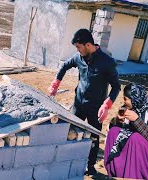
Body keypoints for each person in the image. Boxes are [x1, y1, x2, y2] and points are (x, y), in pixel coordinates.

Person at [48, 29, 121, 175]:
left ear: (88, 45)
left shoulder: (107, 62)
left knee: (93, 137)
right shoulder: (78, 58)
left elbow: (116, 86)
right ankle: (68, 161)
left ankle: (90, 165)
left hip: (96, 108)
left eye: (78, 47)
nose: (77, 50)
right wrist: (55, 83)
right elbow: (64, 66)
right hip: (78, 104)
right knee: (71, 133)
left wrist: (107, 105)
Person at [104, 83, 148, 179]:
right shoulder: (130, 106)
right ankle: (118, 171)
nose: (124, 101)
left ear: (134, 99)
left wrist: (137, 120)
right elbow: (116, 128)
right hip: (132, 146)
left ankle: (135, 175)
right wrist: (118, 120)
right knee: (114, 131)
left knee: (135, 138)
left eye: (126, 99)